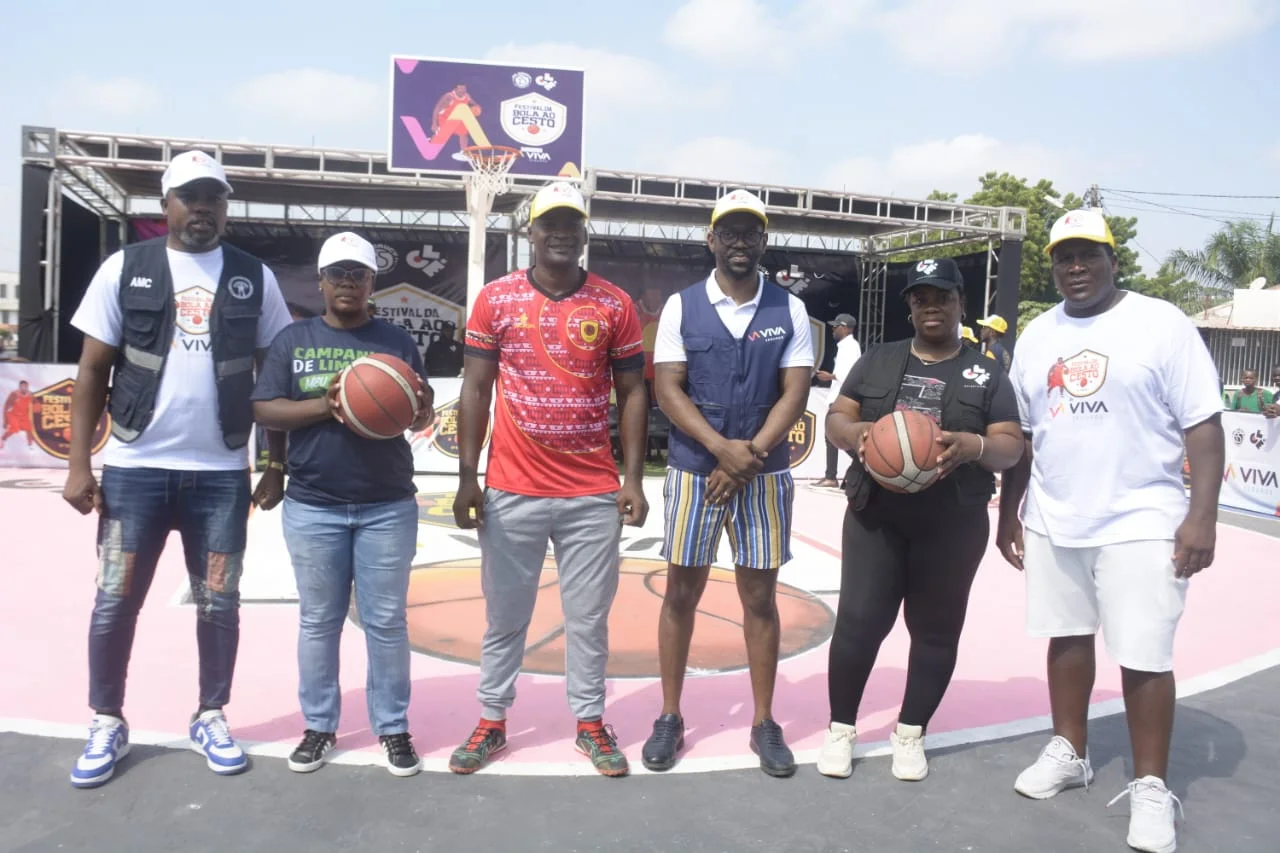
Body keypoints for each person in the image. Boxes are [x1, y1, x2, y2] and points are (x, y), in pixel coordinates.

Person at [62, 150, 293, 788]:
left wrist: (273, 462)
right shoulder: (124, 268)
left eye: (214, 197)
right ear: (165, 205)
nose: (203, 208)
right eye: (190, 197)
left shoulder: (254, 276)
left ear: (226, 207)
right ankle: (106, 720)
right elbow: (91, 371)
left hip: (221, 475)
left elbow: (273, 374)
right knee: (115, 601)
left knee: (220, 603)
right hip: (134, 469)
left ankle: (210, 714)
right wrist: (80, 464)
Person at [997, 209, 1224, 853]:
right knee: (1066, 637)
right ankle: (1070, 751)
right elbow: (1026, 435)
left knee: (1145, 653)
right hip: (1054, 513)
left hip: (1142, 516)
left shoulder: (1161, 323)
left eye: (1088, 255)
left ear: (1112, 260)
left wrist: (1202, 516)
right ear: (1052, 266)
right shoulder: (1038, 334)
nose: (1076, 267)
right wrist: (1011, 510)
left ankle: (1151, 785)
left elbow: (1204, 426)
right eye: (1063, 257)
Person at [449, 182, 649, 777]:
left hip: (592, 493)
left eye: (571, 223)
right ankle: (491, 720)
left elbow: (633, 393)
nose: (561, 232)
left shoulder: (613, 303)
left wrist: (633, 479)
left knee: (587, 619)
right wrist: (467, 477)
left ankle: (590, 722)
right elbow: (475, 389)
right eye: (550, 223)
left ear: (585, 232)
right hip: (512, 487)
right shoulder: (496, 299)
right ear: (529, 231)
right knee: (505, 616)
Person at [816, 258, 1024, 781]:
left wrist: (974, 445)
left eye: (943, 297)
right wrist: (856, 435)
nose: (932, 306)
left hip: (952, 520)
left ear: (960, 303)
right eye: (921, 298)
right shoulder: (878, 360)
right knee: (860, 622)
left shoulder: (986, 372)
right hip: (876, 515)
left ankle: (911, 733)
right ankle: (841, 728)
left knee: (935, 629)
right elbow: (837, 417)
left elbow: (1010, 445)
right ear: (909, 306)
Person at [641, 189, 813, 777]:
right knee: (680, 594)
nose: (741, 242)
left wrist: (750, 454)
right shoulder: (681, 306)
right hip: (696, 470)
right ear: (711, 239)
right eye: (730, 232)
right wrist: (721, 449)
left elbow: (795, 392)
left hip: (764, 473)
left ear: (764, 241)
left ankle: (764, 722)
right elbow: (668, 388)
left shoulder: (788, 309)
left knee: (760, 600)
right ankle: (670, 715)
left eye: (751, 232)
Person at [251, 232, 435, 777]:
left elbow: (419, 414)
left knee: (387, 622)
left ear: (372, 283)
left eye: (358, 274)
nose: (348, 283)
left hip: (386, 503)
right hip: (314, 504)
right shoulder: (294, 339)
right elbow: (265, 409)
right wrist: (329, 405)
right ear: (322, 281)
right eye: (338, 274)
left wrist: (421, 409)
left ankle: (393, 727)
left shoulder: (396, 341)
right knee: (318, 622)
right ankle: (319, 726)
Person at [813, 314, 861, 489]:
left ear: (846, 328)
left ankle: (865, 462)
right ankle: (831, 476)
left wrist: (830, 376)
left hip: (842, 399)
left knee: (836, 436)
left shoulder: (851, 347)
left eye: (836, 326)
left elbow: (851, 375)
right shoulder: (844, 347)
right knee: (831, 437)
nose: (833, 329)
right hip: (837, 396)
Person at [1, 379, 34, 448]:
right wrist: (5, 421)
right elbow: (6, 407)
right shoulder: (14, 394)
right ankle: (2, 439)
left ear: (27, 387)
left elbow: (32, 406)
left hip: (24, 415)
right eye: (22, 386)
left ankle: (30, 445)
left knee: (29, 429)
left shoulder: (30, 395)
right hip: (14, 415)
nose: (24, 388)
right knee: (14, 429)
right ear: (19, 387)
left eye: (25, 386)